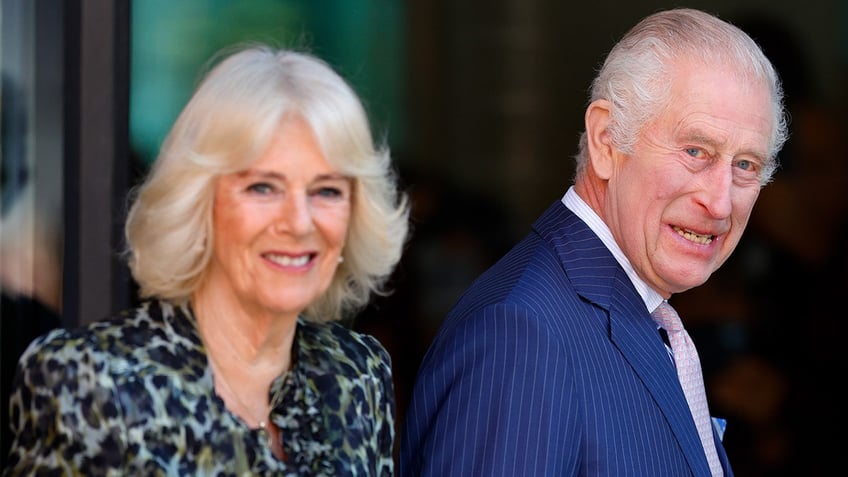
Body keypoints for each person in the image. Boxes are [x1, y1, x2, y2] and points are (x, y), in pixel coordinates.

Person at [400, 8, 787, 477]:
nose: (721, 203)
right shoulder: (524, 334)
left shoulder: (637, 314)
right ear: (606, 140)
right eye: (695, 152)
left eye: (745, 165)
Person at [3, 44, 410, 475]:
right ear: (199, 204)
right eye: (263, 187)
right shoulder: (90, 383)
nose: (299, 222)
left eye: (326, 190)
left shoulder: (359, 374)